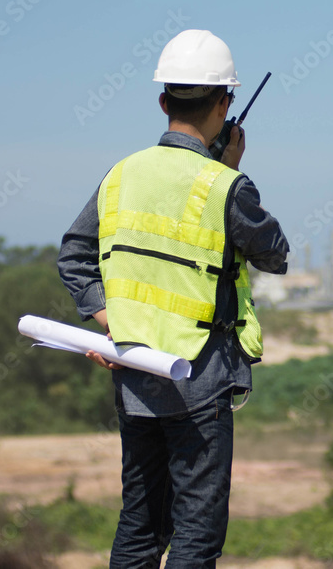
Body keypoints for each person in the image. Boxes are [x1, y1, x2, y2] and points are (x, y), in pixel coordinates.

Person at [58, 29, 289, 568]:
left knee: (140, 527)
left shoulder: (120, 176)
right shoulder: (226, 186)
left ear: (163, 101)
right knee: (196, 536)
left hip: (134, 373)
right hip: (199, 383)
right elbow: (274, 253)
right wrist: (228, 172)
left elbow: (74, 254)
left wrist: (109, 318)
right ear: (226, 105)